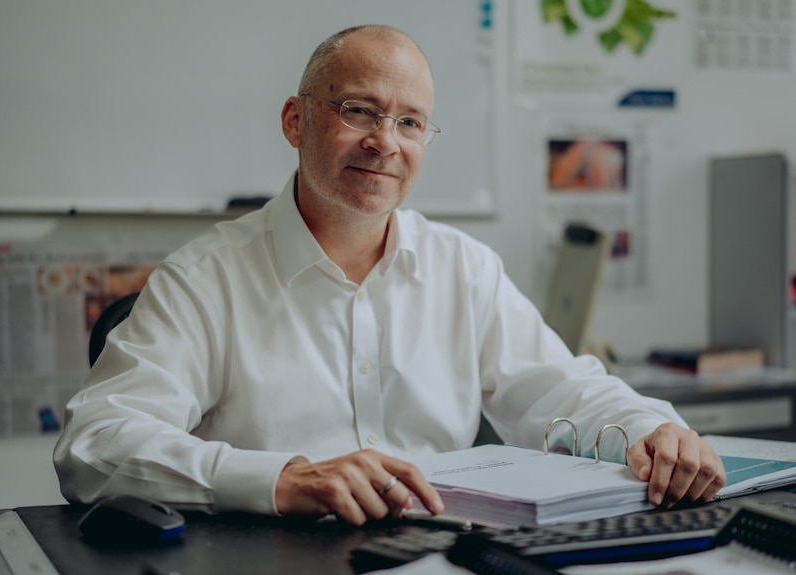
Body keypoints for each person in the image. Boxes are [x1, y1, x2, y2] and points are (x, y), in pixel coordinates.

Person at [54, 24, 725, 526]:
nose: (386, 141)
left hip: (441, 553)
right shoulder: (205, 278)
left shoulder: (463, 267)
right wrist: (281, 478)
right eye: (359, 111)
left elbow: (565, 388)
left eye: (410, 122)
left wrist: (653, 427)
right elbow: (93, 443)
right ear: (296, 120)